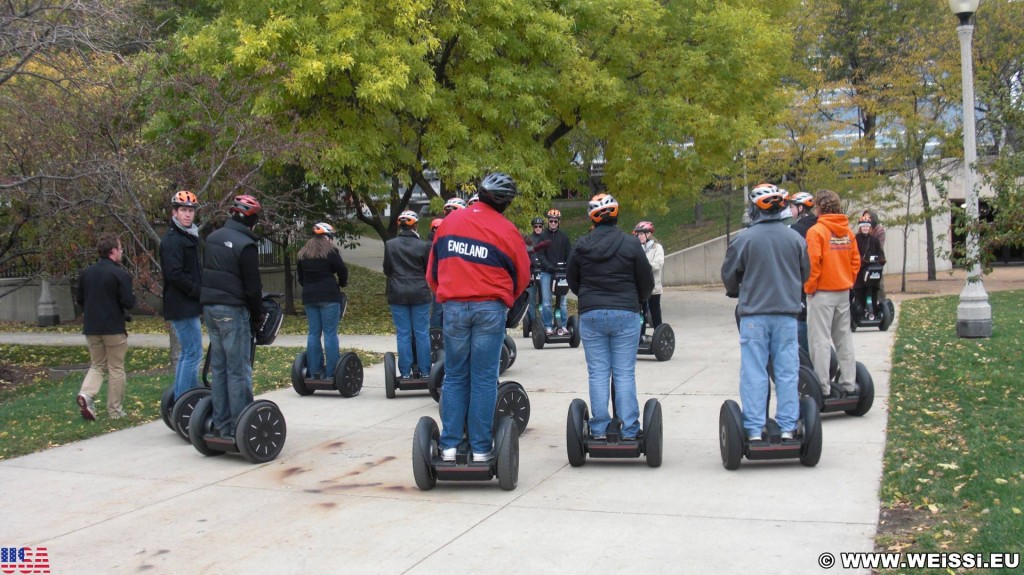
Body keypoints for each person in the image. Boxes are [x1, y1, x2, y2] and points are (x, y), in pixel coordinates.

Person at [427, 172, 530, 462]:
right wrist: (504, 297)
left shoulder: (449, 223)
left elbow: (433, 272)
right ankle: (482, 448)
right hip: (489, 308)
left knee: (456, 375)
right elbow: (522, 276)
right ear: (506, 203)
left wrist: (448, 296)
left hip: (455, 307)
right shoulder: (507, 230)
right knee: (484, 379)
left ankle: (448, 446)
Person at [721, 183, 808, 442]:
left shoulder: (743, 239)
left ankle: (754, 429)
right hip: (786, 315)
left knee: (754, 372)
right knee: (787, 371)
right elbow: (805, 273)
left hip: (754, 316)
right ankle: (787, 427)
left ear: (754, 209)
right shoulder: (795, 238)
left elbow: (729, 276)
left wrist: (737, 290)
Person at [567, 194, 654, 440]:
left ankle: (599, 429)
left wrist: (589, 297)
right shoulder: (631, 244)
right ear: (616, 214)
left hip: (592, 314)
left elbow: (573, 280)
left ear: (592, 217)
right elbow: (646, 281)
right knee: (624, 372)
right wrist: (637, 299)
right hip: (625, 312)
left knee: (597, 372)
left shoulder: (582, 245)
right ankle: (628, 429)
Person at [200, 195, 264, 438]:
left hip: (210, 308)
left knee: (220, 368)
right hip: (232, 310)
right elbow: (252, 287)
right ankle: (241, 426)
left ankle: (221, 425)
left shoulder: (213, 238)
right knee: (238, 369)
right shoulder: (245, 245)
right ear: (252, 219)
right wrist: (257, 314)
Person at [75, 233, 137, 421]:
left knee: (97, 364)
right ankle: (115, 410)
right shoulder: (120, 274)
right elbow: (129, 301)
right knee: (116, 368)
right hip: (113, 328)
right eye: (120, 249)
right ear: (113, 251)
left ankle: (87, 394)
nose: (122, 252)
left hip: (92, 327)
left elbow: (80, 300)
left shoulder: (86, 273)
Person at [805, 190, 860, 398]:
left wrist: (809, 289)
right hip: (843, 292)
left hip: (822, 293)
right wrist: (848, 280)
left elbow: (813, 265)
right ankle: (848, 383)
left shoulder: (816, 232)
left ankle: (822, 387)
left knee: (819, 341)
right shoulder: (847, 232)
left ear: (819, 207)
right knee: (844, 339)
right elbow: (855, 261)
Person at [160, 191, 203, 401]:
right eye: (183, 210)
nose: (188, 215)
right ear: (174, 212)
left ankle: (187, 396)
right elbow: (174, 274)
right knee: (193, 353)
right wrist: (197, 291)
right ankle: (184, 401)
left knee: (189, 353)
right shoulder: (172, 240)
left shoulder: (187, 237)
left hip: (188, 304)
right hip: (181, 304)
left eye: (191, 211)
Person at [297, 222, 349, 379]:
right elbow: (342, 270)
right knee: (330, 334)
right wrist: (341, 283)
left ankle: (314, 372)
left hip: (310, 297)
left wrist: (309, 286)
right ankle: (332, 373)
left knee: (313, 333)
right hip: (329, 296)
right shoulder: (331, 251)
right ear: (327, 236)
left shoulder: (303, 253)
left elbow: (300, 278)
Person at [385, 211, 432, 378]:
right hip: (420, 292)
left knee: (403, 334)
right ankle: (426, 371)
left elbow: (387, 270)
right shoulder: (424, 246)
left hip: (397, 293)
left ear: (400, 225)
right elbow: (429, 270)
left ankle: (405, 373)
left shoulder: (390, 245)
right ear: (415, 225)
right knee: (422, 333)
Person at [787, 191, 817, 351]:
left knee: (801, 320)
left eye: (792, 207)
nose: (790, 210)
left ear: (800, 208)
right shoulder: (819, 224)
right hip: (819, 281)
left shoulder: (796, 229)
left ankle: (805, 357)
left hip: (802, 279)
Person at [538, 207, 571, 335]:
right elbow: (540, 254)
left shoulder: (564, 237)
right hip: (547, 272)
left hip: (561, 273)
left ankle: (562, 325)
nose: (552, 223)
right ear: (548, 221)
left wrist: (568, 266)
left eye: (555, 221)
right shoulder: (543, 236)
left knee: (562, 301)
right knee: (546, 301)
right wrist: (548, 266)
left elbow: (569, 253)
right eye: (551, 221)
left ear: (559, 222)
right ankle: (548, 326)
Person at [633, 221, 664, 327]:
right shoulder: (637, 248)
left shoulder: (657, 247)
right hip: (642, 287)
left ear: (649, 234)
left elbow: (658, 264)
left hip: (654, 287)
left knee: (655, 311)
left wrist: (644, 266)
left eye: (641, 234)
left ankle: (658, 334)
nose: (639, 236)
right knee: (641, 313)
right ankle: (640, 336)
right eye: (638, 234)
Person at [853, 214, 886, 311]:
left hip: (872, 271)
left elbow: (880, 253)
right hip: (860, 272)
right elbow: (854, 254)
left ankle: (874, 310)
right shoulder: (856, 239)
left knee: (873, 291)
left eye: (867, 226)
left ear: (870, 227)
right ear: (860, 228)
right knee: (860, 292)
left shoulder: (875, 240)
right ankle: (861, 310)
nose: (865, 228)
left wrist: (881, 260)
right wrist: (862, 261)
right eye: (863, 226)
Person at [524, 216, 548, 329]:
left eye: (540, 226)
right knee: (531, 299)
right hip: (532, 273)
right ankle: (533, 323)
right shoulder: (529, 239)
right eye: (536, 226)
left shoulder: (546, 238)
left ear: (543, 227)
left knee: (544, 299)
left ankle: (543, 322)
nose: (538, 228)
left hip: (544, 271)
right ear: (533, 227)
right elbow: (527, 256)